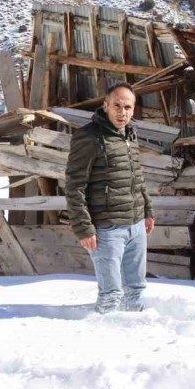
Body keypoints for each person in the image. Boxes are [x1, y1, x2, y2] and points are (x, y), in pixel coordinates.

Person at [64, 83, 155, 313]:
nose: (122, 112)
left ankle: (136, 340)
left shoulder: (129, 135)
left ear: (133, 110)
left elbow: (137, 177)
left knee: (135, 291)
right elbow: (74, 186)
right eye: (117, 106)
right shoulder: (89, 137)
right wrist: (83, 228)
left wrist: (147, 211)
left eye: (127, 107)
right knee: (111, 295)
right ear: (105, 106)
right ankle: (105, 338)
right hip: (107, 228)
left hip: (135, 226)